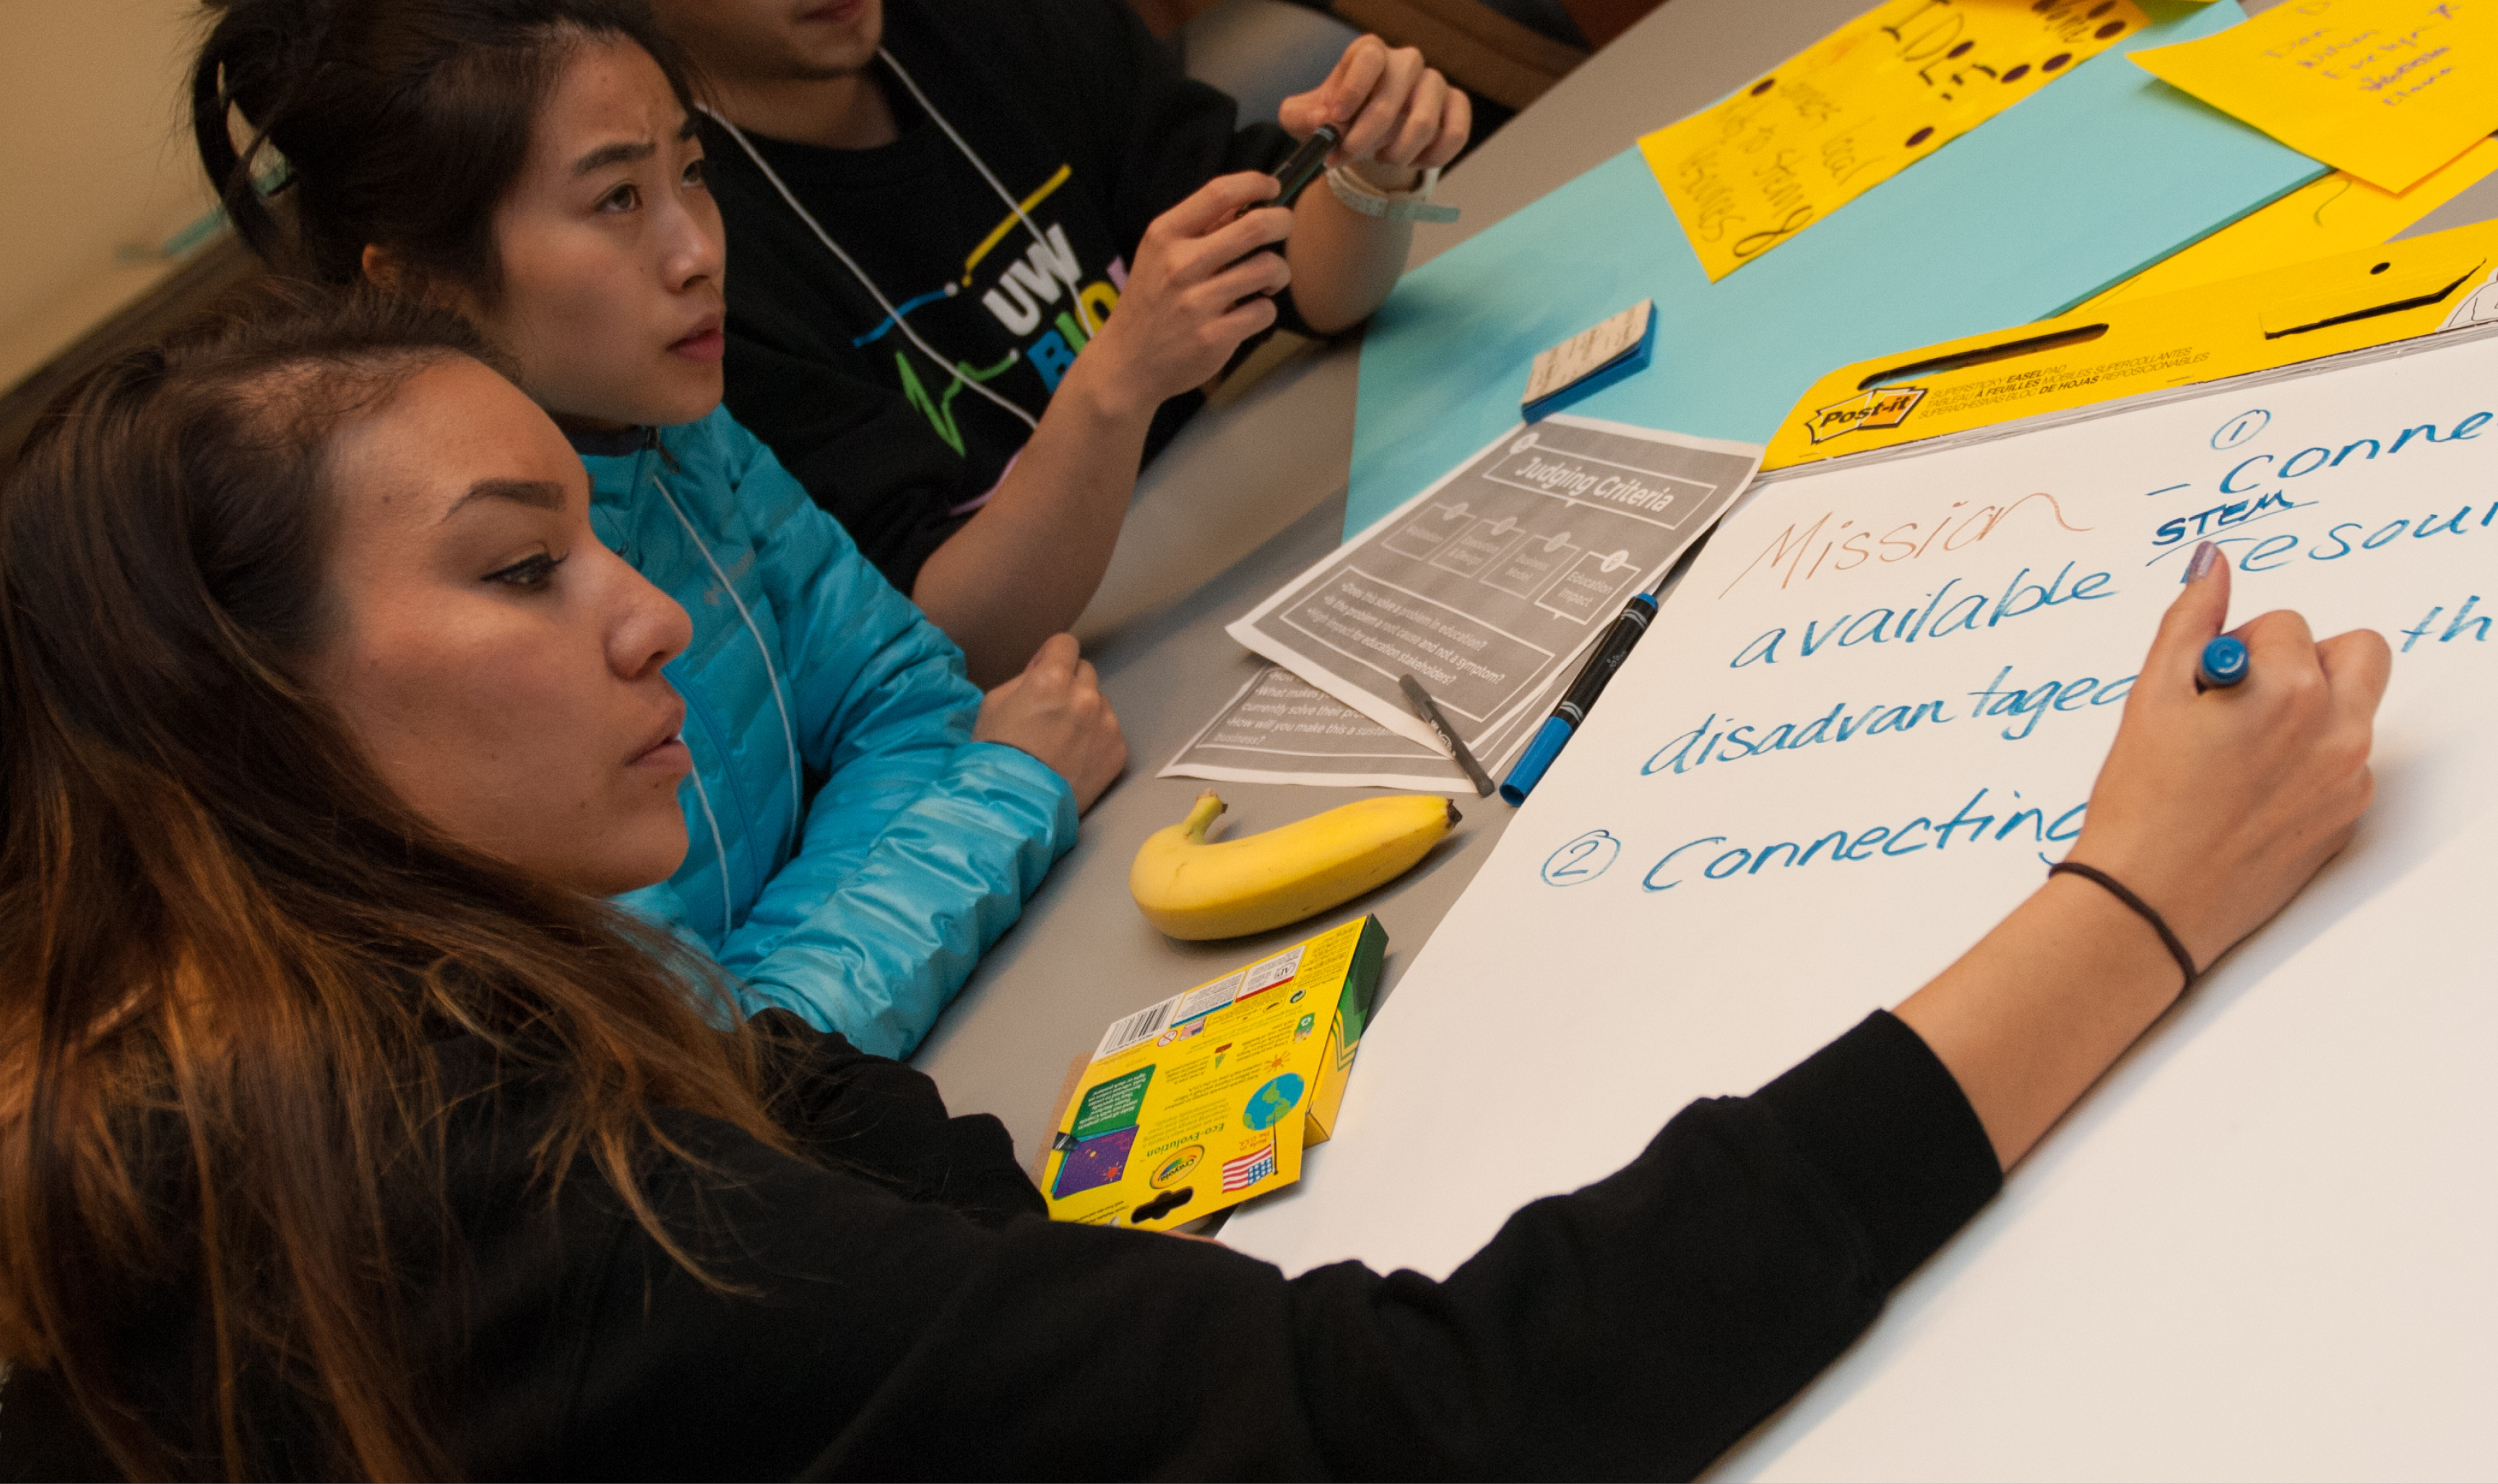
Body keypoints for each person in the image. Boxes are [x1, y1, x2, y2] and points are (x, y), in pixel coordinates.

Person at [0, 282, 2389, 1479]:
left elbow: (892, 1164)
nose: (641, 618)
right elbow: (1422, 1427)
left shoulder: (331, 1061)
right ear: (252, 712)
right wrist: (2128, 906)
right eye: (520, 571)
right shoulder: (490, 1205)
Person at [189, 0, 1123, 1059]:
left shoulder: (679, 428)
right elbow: (717, 1065)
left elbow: (904, 699)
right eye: (618, 199)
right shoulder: (393, 633)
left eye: (692, 171)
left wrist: (790, 966)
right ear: (416, 291)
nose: (698, 251)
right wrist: (994, 807)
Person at [458, 0, 1474, 684]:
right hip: (1078, 680)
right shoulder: (689, 265)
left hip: (1262, 558)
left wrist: (1368, 173)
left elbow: (1312, 285)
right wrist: (1120, 377)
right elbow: (944, 639)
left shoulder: (1005, 19)